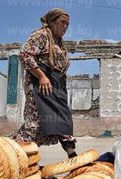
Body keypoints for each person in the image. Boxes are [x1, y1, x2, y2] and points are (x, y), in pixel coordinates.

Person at [14, 8, 77, 158]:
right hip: (40, 86)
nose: (65, 27)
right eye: (62, 23)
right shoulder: (41, 35)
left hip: (57, 86)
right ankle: (15, 153)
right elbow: (25, 54)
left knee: (63, 117)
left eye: (68, 24)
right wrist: (41, 76)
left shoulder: (59, 42)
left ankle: (71, 152)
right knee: (36, 121)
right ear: (51, 22)